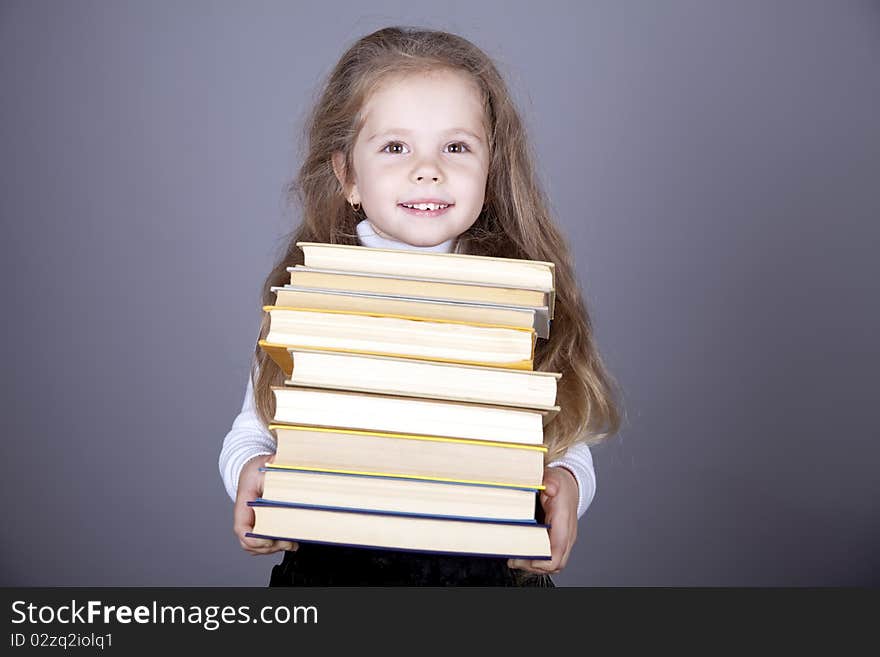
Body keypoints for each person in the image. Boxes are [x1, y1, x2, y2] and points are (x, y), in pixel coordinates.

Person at [219, 26, 621, 586]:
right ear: (348, 176)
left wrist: (568, 486)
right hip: (337, 570)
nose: (427, 169)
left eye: (455, 147)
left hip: (482, 575)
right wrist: (250, 471)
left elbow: (565, 435)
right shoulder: (313, 293)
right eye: (394, 147)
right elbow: (254, 425)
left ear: (490, 168)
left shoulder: (519, 297)